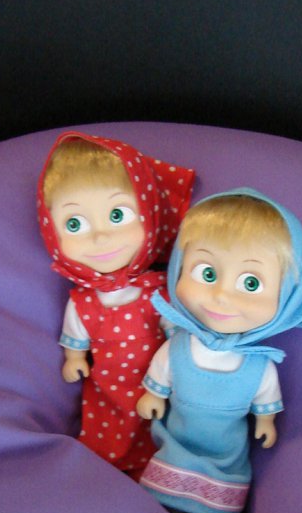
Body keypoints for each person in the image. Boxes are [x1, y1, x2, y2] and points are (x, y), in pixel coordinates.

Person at [136, 190, 302, 513]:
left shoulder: (259, 362)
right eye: (207, 273)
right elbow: (162, 372)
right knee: (171, 463)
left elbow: (265, 395)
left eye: (251, 283)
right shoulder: (178, 345)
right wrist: (154, 394)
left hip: (226, 443)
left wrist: (265, 420)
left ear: (287, 296)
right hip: (180, 432)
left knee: (225, 474)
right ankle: (172, 508)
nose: (222, 296)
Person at [37, 132, 194, 476]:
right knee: (106, 434)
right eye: (75, 223)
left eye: (118, 214)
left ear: (149, 214)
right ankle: (110, 475)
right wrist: (75, 358)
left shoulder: (157, 291)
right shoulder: (82, 301)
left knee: (164, 433)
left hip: (160, 382)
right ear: (51, 230)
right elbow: (76, 337)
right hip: (107, 389)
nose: (100, 237)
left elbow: (178, 336)